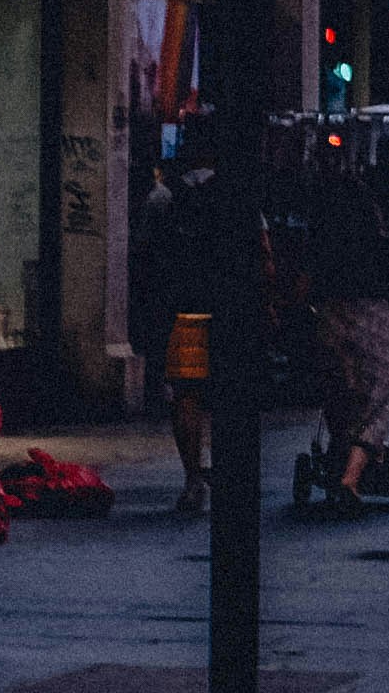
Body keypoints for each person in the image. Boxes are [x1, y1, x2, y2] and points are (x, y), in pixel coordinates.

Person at [131, 114, 245, 515]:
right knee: (231, 391)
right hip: (229, 310)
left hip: (182, 312)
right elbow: (259, 253)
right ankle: (231, 473)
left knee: (186, 395)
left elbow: (143, 257)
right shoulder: (236, 193)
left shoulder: (164, 195)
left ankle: (194, 478)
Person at [299, 159, 389, 517]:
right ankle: (351, 476)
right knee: (380, 399)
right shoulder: (383, 243)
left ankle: (337, 460)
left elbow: (302, 289)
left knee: (338, 395)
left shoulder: (319, 242)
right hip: (374, 324)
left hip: (329, 323)